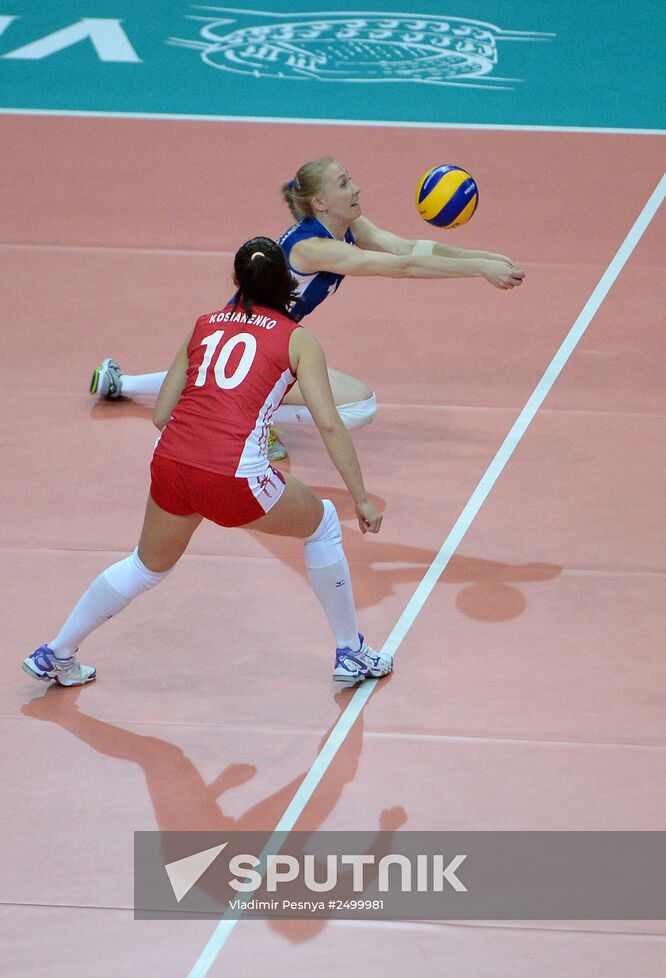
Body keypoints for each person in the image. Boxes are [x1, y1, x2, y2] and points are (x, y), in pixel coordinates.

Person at [21, 236, 393, 689]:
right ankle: (350, 652)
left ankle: (56, 652)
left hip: (172, 461)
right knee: (324, 524)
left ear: (237, 280)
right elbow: (331, 424)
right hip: (237, 476)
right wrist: (361, 499)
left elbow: (161, 413)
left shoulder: (203, 325)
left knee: (145, 567)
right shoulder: (298, 341)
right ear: (285, 284)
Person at [90, 156, 525, 459]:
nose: (355, 188)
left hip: (243, 340)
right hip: (256, 349)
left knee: (203, 376)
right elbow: (404, 268)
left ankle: (120, 382)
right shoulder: (315, 248)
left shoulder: (348, 224)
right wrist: (476, 270)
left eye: (350, 179)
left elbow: (407, 246)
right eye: (343, 184)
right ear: (319, 203)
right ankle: (254, 418)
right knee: (360, 407)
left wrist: (482, 258)